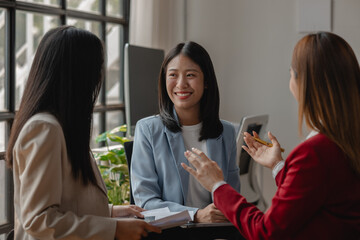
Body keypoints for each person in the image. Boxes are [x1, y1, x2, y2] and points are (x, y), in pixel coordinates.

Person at [182, 32, 360, 239]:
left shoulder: (314, 152)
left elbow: (265, 231)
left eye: (291, 72)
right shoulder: (344, 141)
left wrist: (217, 185)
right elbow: (314, 193)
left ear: (305, 83)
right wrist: (278, 165)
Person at [5, 26, 161, 240]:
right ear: (79, 74)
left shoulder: (62, 127)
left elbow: (66, 200)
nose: (99, 78)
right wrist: (114, 229)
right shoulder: (44, 129)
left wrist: (110, 212)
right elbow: (40, 221)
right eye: (96, 68)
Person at [131, 41, 240, 223]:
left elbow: (233, 196)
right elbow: (146, 202)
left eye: (190, 75)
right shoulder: (148, 130)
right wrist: (195, 215)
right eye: (173, 75)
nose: (181, 84)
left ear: (206, 82)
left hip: (215, 233)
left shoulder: (226, 132)